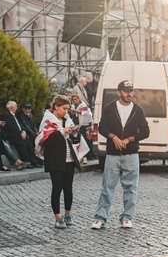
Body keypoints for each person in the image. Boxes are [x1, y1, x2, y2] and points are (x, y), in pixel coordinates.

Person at [92, 80, 150, 229]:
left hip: (131, 154)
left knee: (131, 188)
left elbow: (145, 131)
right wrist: (113, 137)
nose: (129, 94)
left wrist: (129, 139)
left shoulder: (138, 110)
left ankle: (127, 217)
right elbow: (102, 127)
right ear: (119, 93)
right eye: (126, 91)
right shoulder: (110, 108)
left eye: (131, 91)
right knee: (107, 187)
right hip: (112, 154)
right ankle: (100, 218)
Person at [41, 95, 82, 229]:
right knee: (57, 188)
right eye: (63, 108)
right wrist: (62, 132)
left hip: (69, 158)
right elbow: (47, 141)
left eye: (67, 109)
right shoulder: (48, 120)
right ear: (56, 107)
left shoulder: (67, 119)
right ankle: (58, 217)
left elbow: (73, 140)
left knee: (68, 188)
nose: (66, 111)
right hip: (55, 158)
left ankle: (68, 214)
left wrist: (74, 132)